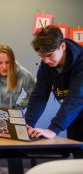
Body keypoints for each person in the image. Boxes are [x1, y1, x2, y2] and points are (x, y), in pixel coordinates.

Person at [25, 25, 83, 157]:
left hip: (76, 105)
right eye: (42, 56)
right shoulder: (47, 63)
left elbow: (76, 98)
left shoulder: (81, 61)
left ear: (62, 46)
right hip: (75, 118)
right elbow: (39, 95)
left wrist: (53, 129)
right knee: (79, 159)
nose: (46, 61)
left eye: (50, 55)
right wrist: (27, 124)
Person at [0, 45, 36, 174]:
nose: (4, 66)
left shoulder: (22, 73)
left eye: (7, 62)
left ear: (12, 61)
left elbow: (34, 93)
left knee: (14, 153)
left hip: (11, 114)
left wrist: (19, 108)